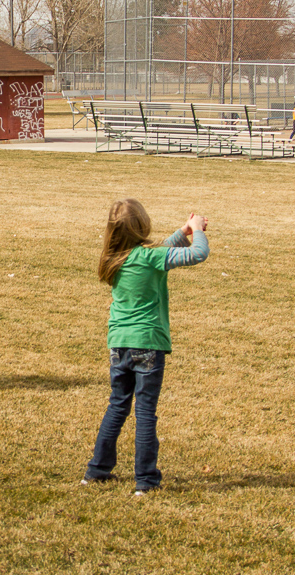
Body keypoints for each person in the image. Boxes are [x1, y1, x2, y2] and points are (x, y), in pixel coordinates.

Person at [83, 199, 209, 494]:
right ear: (143, 226)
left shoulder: (114, 258)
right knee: (145, 412)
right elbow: (198, 254)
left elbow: (159, 251)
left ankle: (96, 470)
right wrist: (198, 229)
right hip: (148, 346)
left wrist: (183, 230)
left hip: (119, 346)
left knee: (118, 405)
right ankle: (146, 480)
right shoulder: (151, 257)